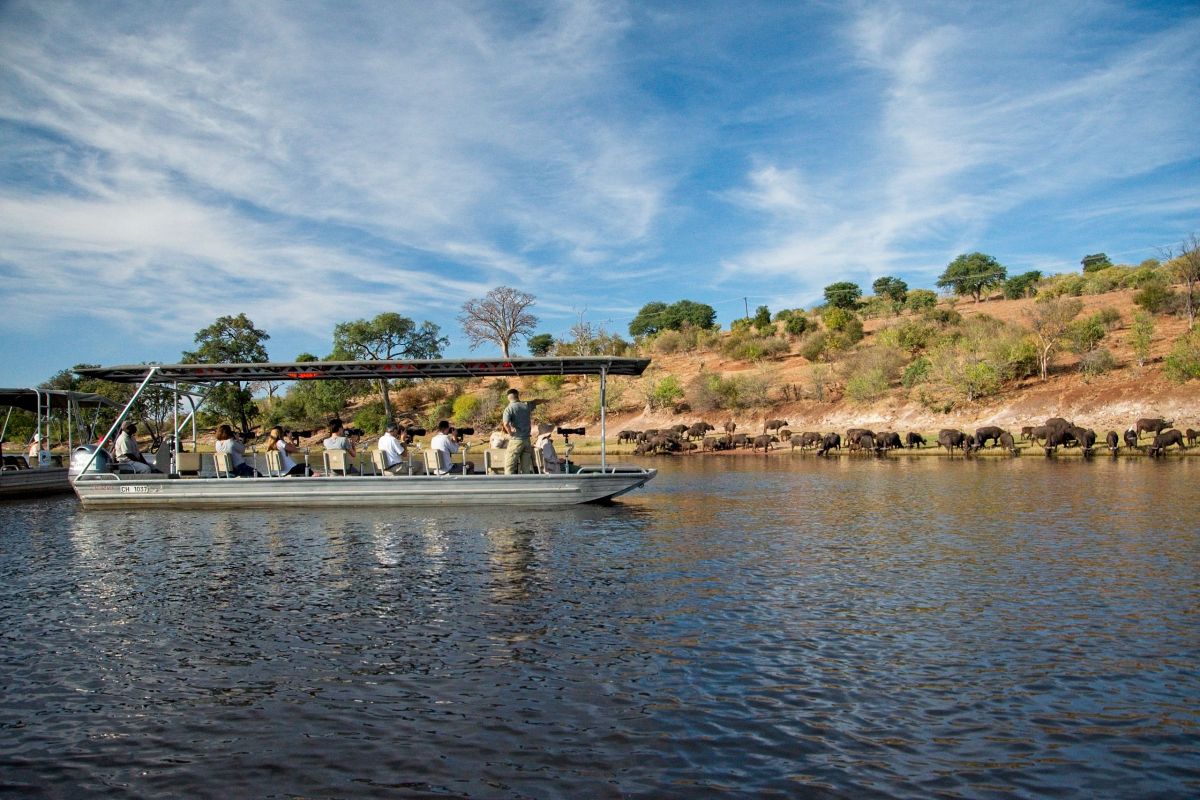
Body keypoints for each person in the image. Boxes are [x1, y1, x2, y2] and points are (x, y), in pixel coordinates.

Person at [501, 388, 541, 474]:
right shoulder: (526, 405)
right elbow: (535, 401)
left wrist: (510, 433)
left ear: (508, 397)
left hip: (516, 440)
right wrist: (546, 401)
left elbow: (506, 423)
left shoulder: (509, 408)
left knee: (509, 466)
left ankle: (510, 485)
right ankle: (526, 485)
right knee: (526, 467)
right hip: (527, 440)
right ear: (517, 395)